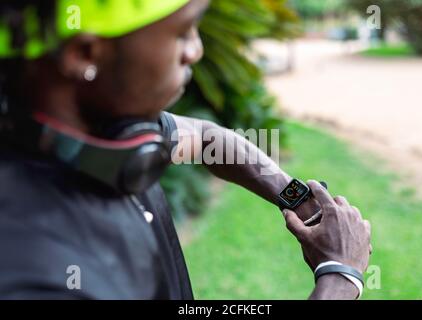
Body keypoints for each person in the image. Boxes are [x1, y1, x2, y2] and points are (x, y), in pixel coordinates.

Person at [0, 0, 371, 300]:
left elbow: (210, 139)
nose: (195, 51)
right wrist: (340, 277)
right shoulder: (36, 274)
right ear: (85, 53)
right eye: (183, 32)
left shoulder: (107, 132)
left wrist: (300, 202)